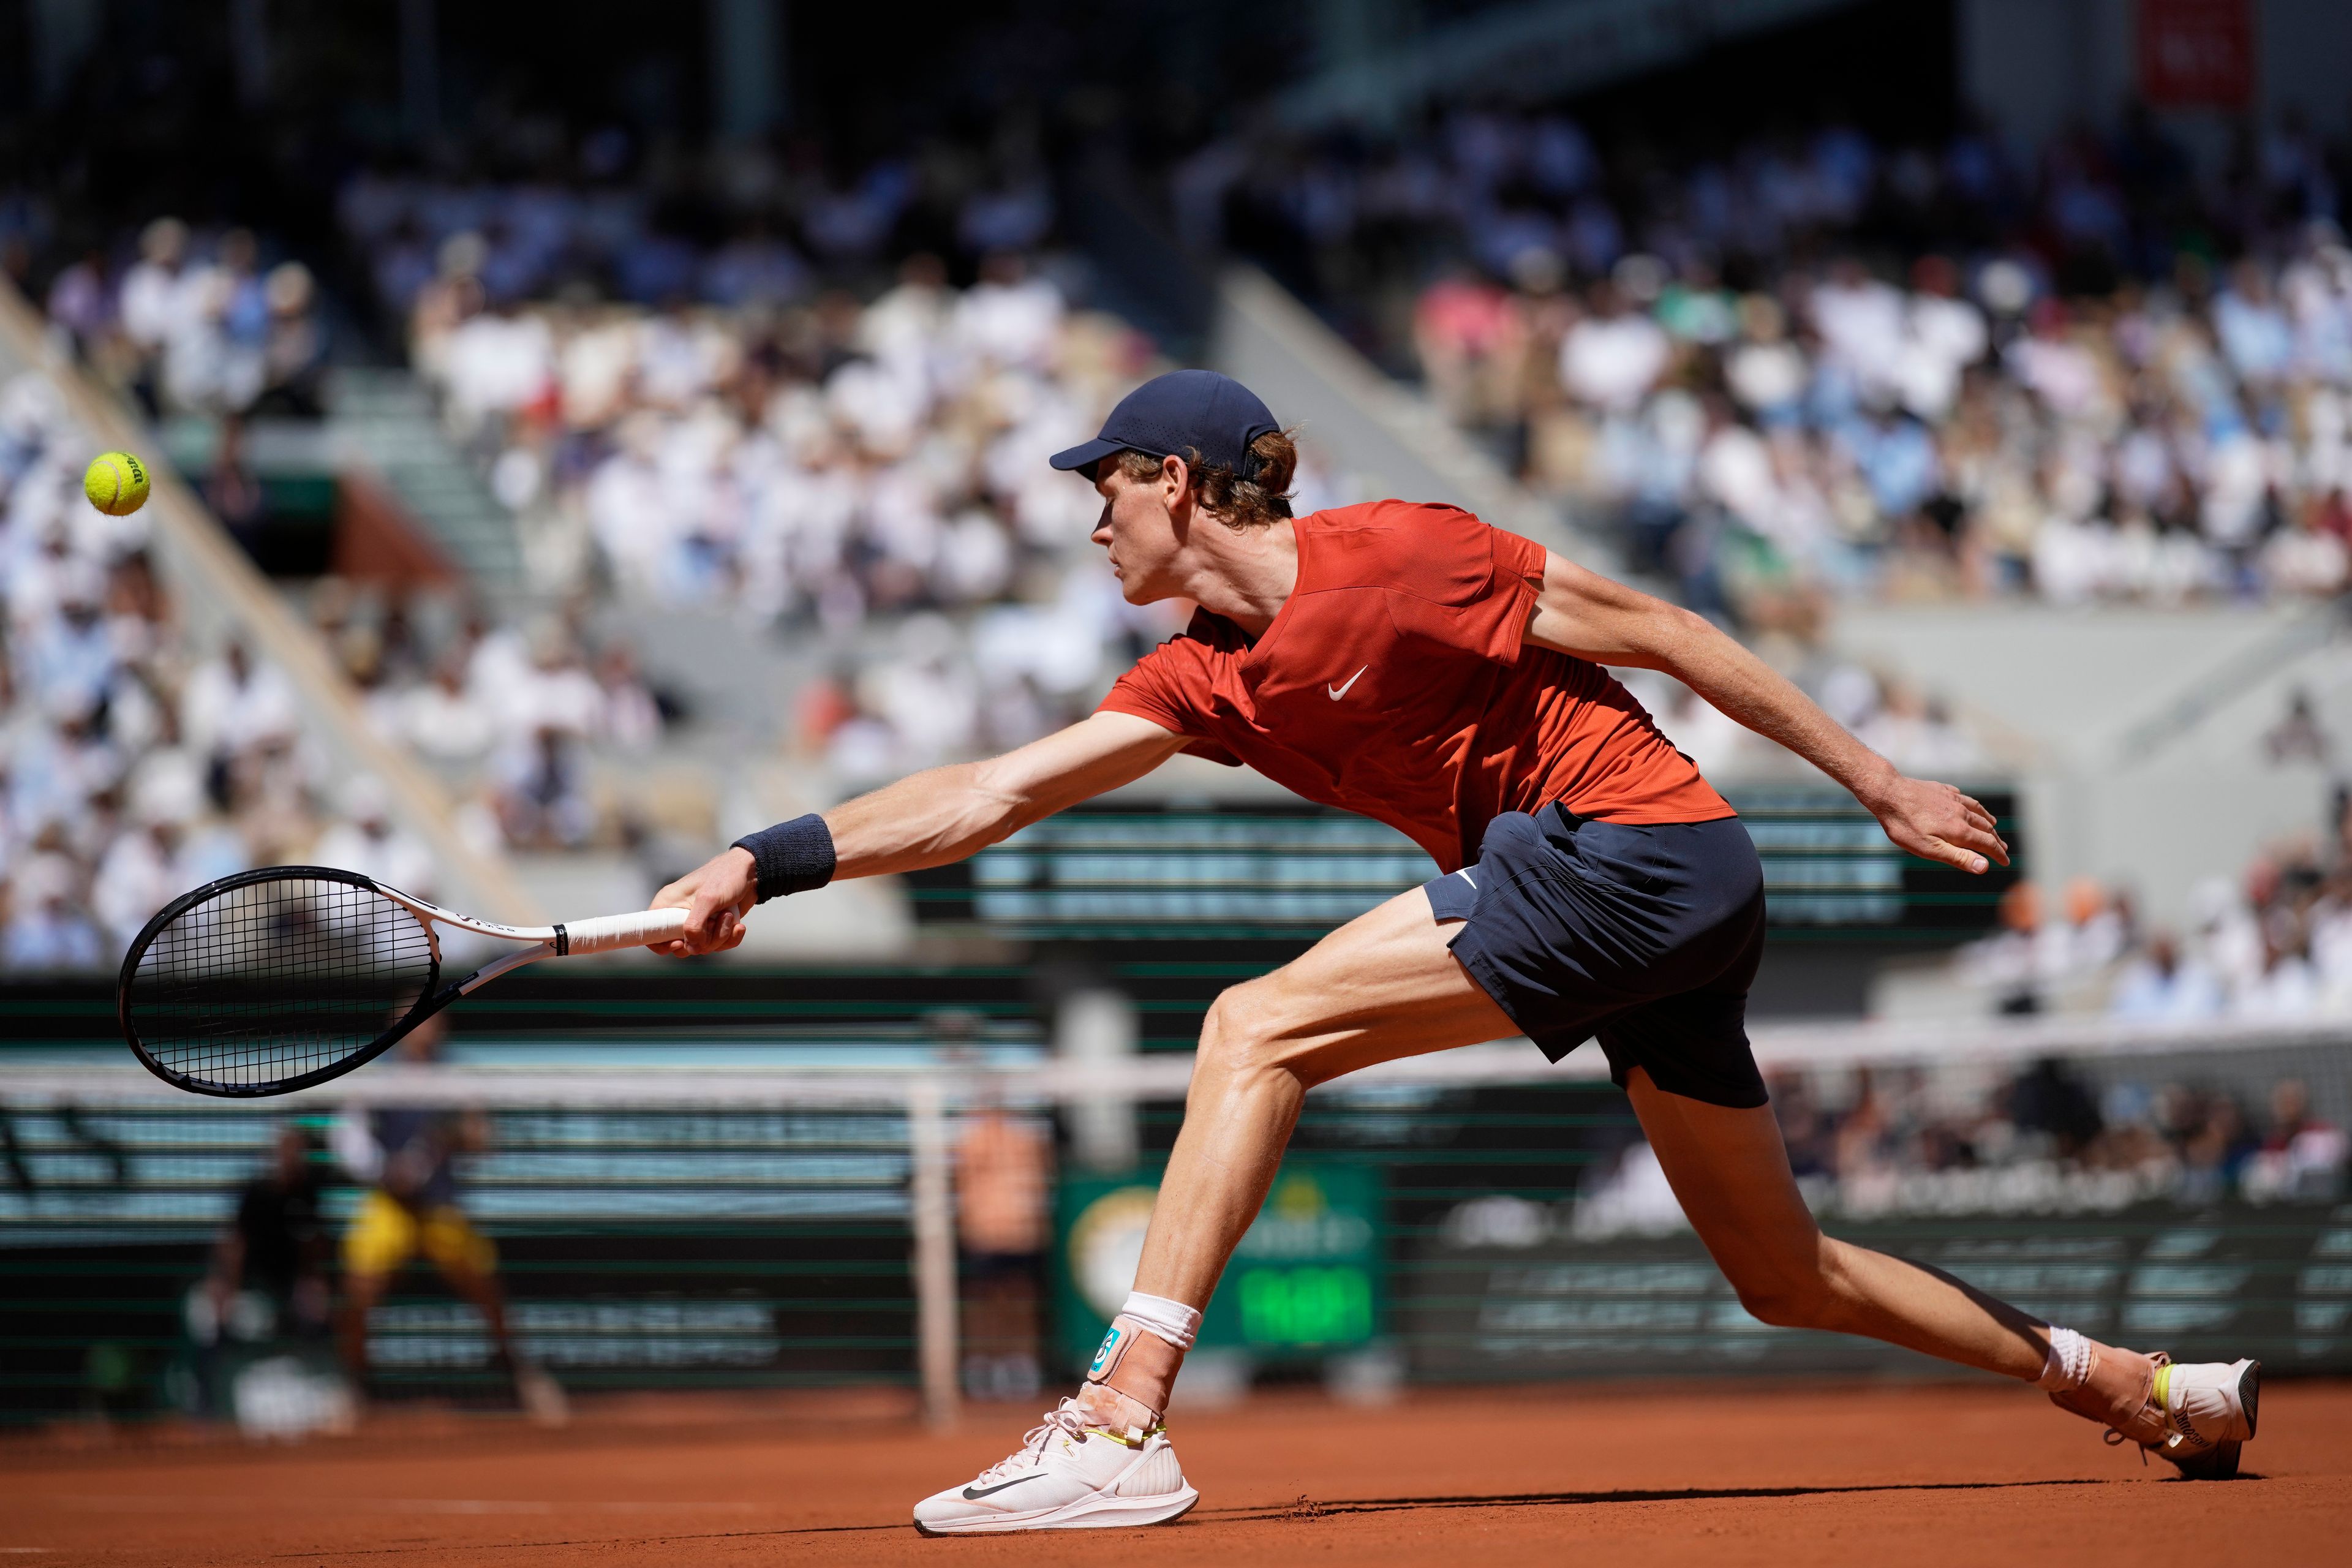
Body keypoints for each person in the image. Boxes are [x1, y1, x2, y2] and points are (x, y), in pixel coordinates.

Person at [652, 369, 2260, 1533]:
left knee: (1251, 1026)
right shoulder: (1200, 679)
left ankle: (1126, 1419)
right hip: (1648, 905)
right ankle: (2131, 1383)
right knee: (1786, 1277)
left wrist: (1881, 779)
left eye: (1109, 483)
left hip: (1636, 852)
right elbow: (986, 793)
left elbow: (1667, 633)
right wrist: (759, 861)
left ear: (1186, 486)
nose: (1092, 517)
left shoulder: (1402, 556)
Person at [331, 1016, 567, 1425]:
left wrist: (458, 1137)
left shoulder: (457, 1077)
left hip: (441, 1204)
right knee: (359, 1288)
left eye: (433, 1022)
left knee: (486, 1288)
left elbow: (482, 1140)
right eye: (418, 1021)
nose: (427, 1029)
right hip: (389, 1205)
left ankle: (520, 1376)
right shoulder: (378, 1077)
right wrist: (386, 1171)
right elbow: (348, 1137)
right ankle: (352, 1386)